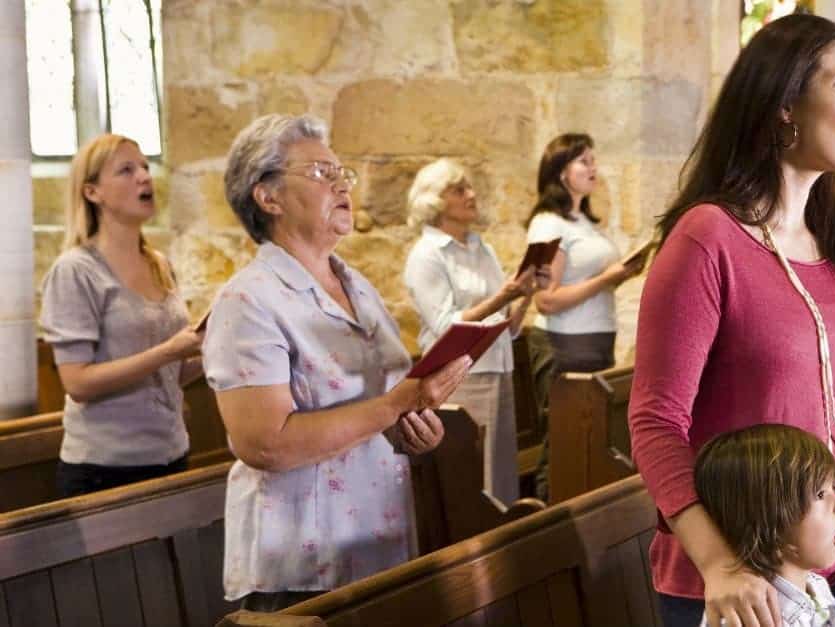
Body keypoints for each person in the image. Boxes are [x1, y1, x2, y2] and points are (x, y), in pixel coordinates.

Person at [628, 14, 835, 627]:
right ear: (784, 106)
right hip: (734, 591)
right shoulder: (709, 238)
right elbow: (656, 422)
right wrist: (720, 564)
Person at [205, 114, 471, 610]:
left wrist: (414, 428)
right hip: (300, 563)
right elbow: (264, 444)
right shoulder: (249, 301)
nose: (342, 185)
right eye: (320, 174)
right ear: (269, 197)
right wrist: (396, 404)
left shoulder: (358, 287)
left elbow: (378, 407)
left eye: (341, 173)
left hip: (377, 540)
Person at [39, 133, 203, 498]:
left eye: (145, 166)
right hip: (104, 468)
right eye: (126, 170)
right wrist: (170, 350)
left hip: (170, 453)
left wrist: (210, 349)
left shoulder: (159, 264)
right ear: (92, 192)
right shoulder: (77, 271)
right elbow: (78, 383)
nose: (144, 176)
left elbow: (167, 374)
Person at [404, 158, 547, 505]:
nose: (471, 194)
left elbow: (508, 329)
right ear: (435, 202)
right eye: (459, 189)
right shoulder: (426, 255)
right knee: (471, 477)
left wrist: (525, 295)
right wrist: (503, 295)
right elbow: (444, 326)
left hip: (498, 367)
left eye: (469, 187)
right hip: (458, 376)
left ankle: (502, 544)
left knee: (500, 473)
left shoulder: (483, 248)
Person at [524, 133, 641, 499]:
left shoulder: (585, 223)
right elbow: (546, 300)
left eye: (594, 160)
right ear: (561, 172)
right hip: (562, 345)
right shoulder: (547, 224)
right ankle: (545, 529)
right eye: (584, 162)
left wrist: (621, 275)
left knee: (588, 442)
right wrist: (608, 278)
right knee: (561, 444)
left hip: (595, 343)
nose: (594, 168)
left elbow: (589, 286)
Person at [694, 424, 835, 627]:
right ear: (769, 526)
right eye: (820, 494)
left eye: (833, 488)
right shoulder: (745, 619)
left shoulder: (815, 585)